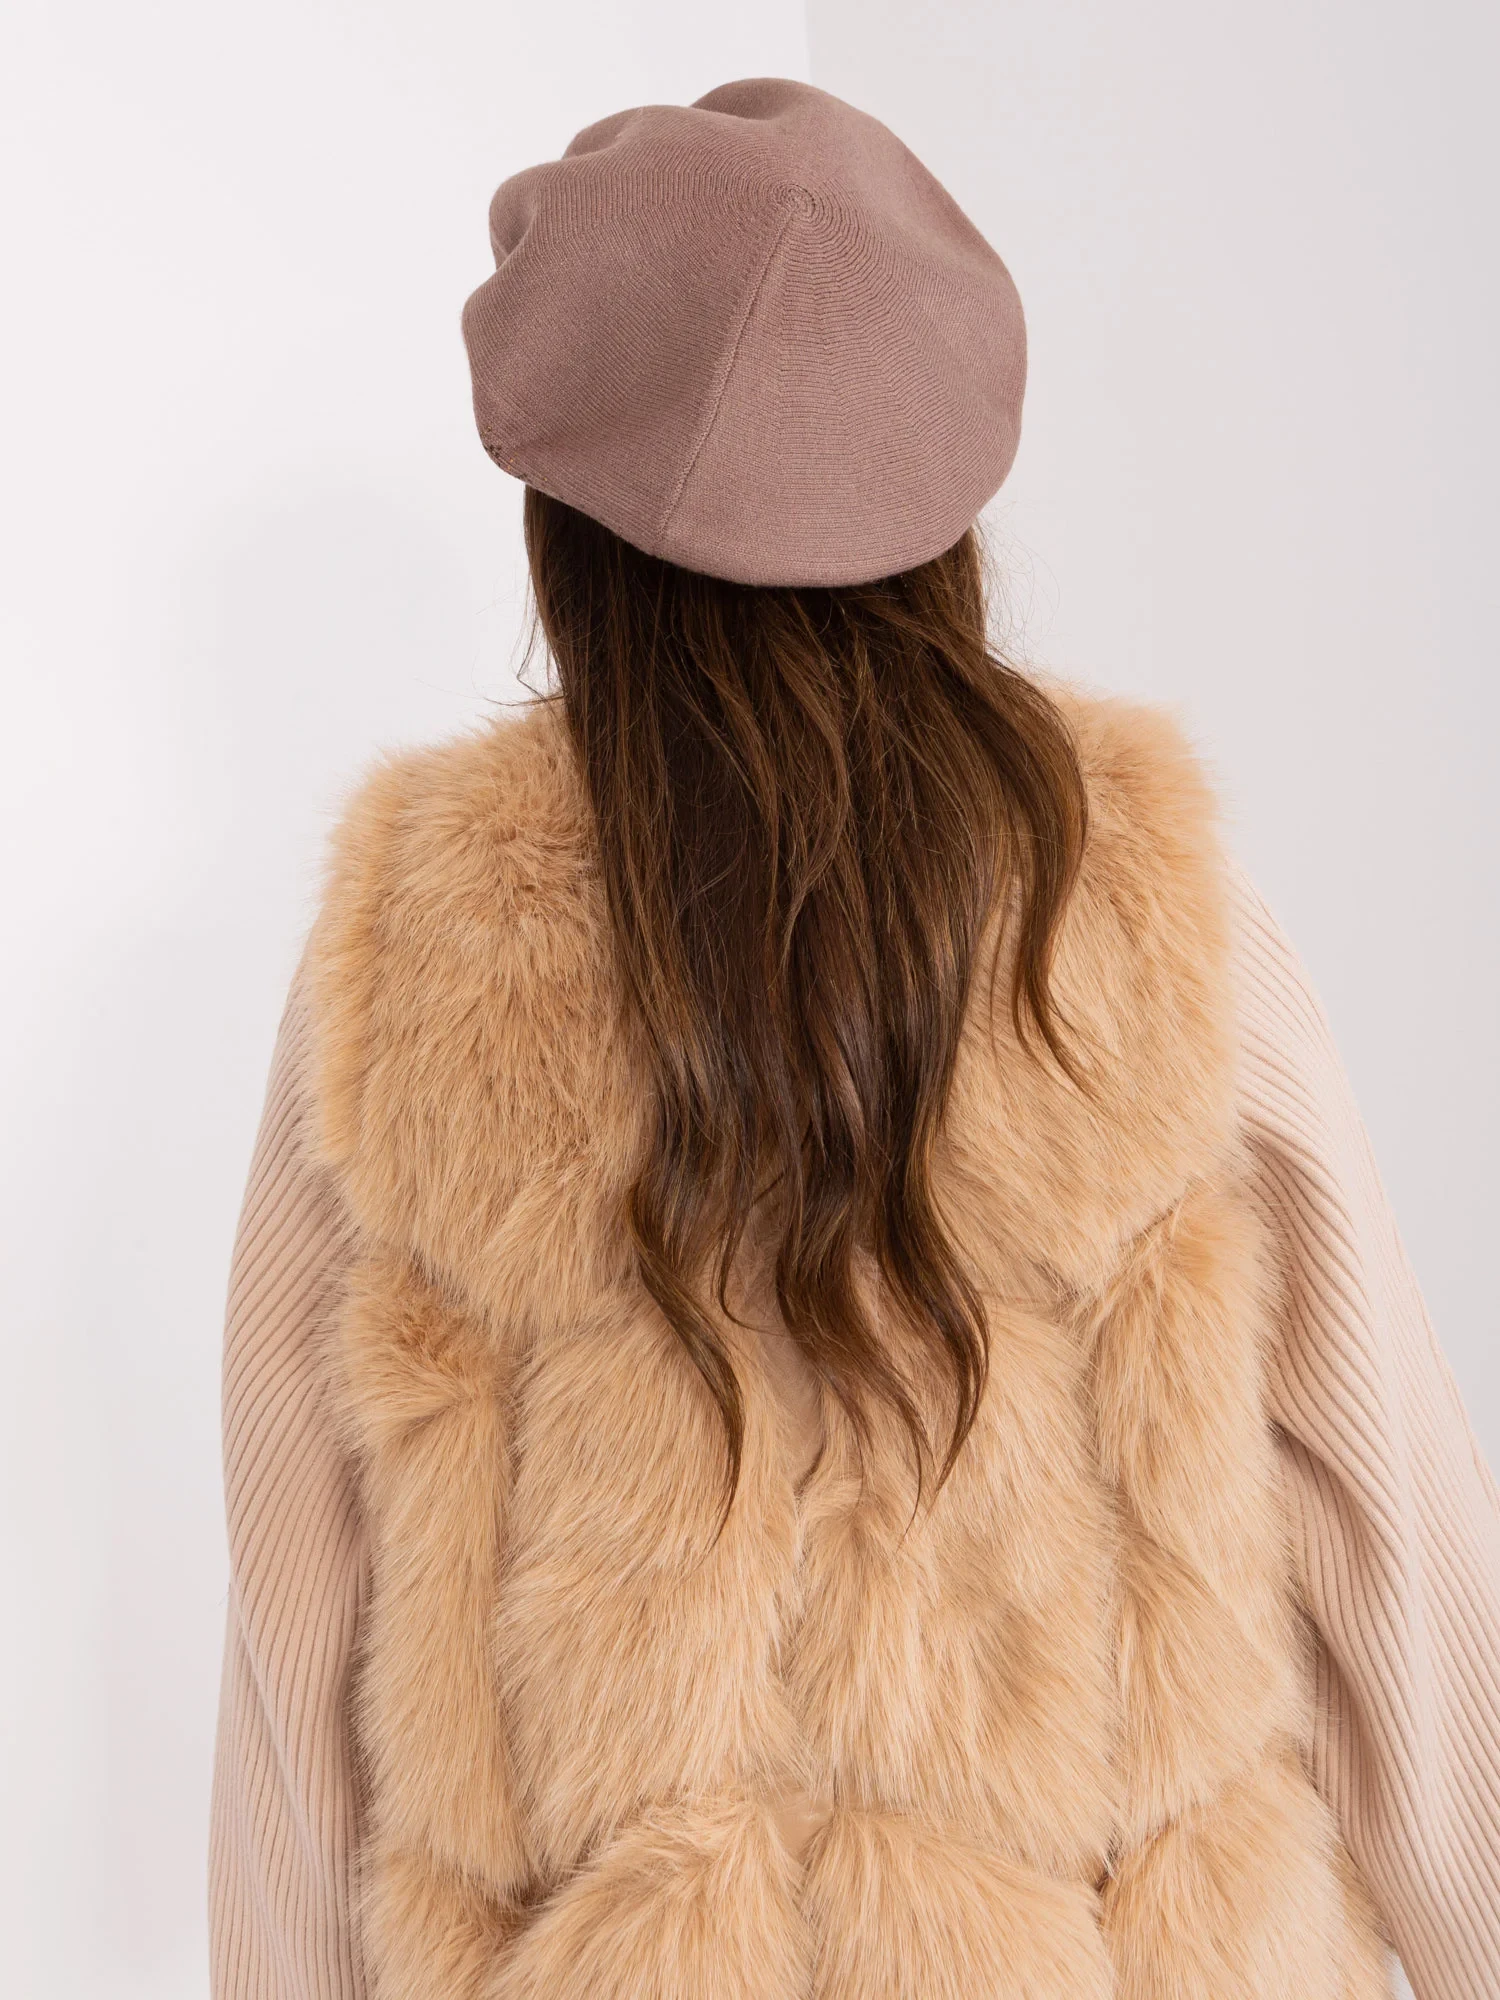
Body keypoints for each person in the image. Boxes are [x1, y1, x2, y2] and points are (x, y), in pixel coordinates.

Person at [207, 77, 1500, 2000]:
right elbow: (1387, 1528)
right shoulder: (1142, 904)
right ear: (946, 507)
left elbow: (300, 1646)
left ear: (567, 534)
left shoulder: (413, 950)